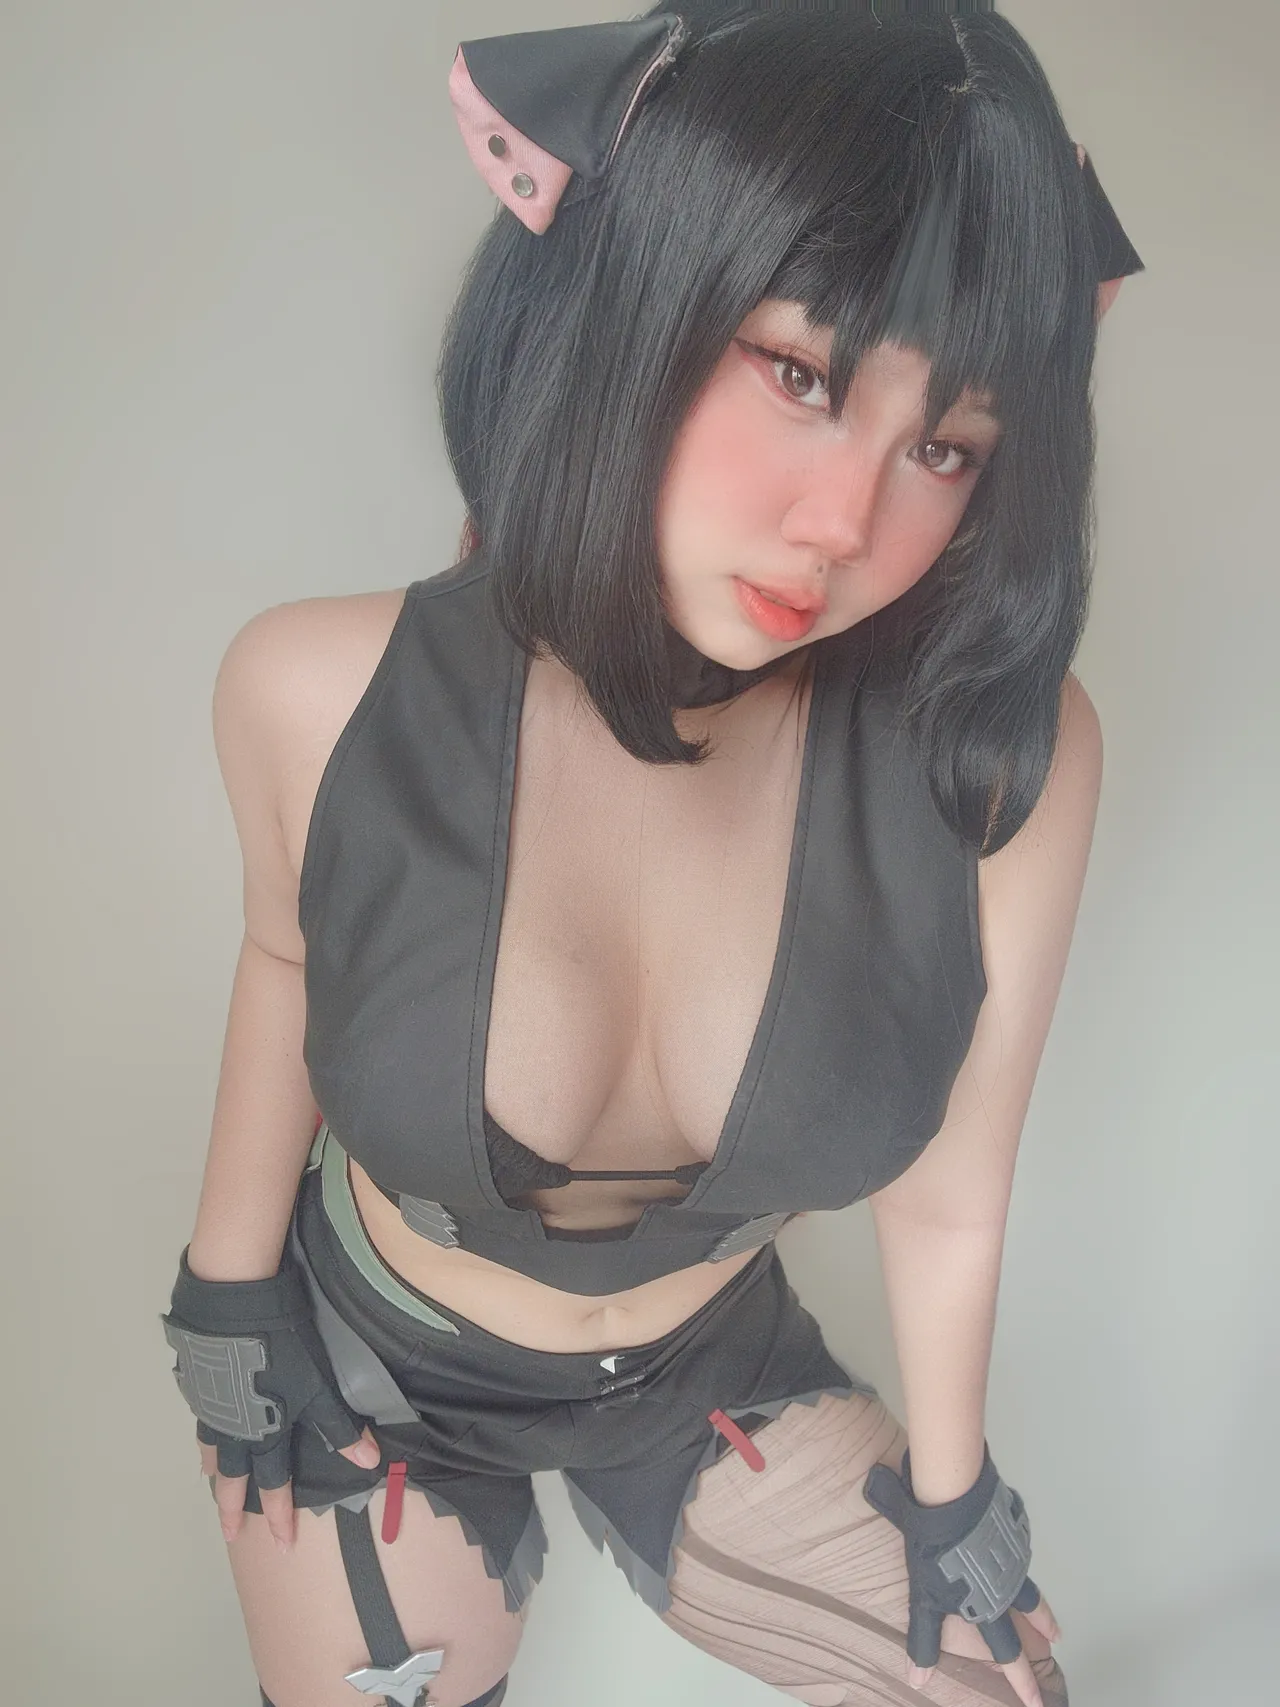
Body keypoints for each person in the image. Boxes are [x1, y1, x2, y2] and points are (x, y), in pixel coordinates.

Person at [160, 6, 1143, 1705]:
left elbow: (951, 1187)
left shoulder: (1001, 765)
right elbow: (286, 960)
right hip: (382, 1361)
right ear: (635, 293)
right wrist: (224, 1294)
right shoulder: (313, 690)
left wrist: (953, 1485)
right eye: (802, 372)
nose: (847, 526)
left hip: (709, 1372)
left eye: (945, 446)